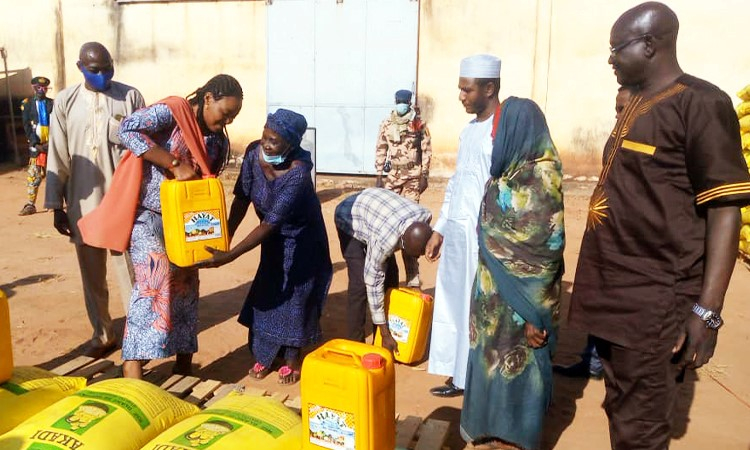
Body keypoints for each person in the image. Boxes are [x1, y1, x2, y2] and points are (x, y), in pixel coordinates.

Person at [569, 3, 750, 448]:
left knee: (641, 426)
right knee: (621, 407)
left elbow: (725, 209)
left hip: (655, 302)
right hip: (614, 296)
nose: (610, 59)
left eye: (617, 49)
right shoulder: (636, 103)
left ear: (650, 45)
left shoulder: (702, 103)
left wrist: (706, 312)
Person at [90, 74, 243, 379]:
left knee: (186, 286)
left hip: (186, 220)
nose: (227, 121)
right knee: (154, 281)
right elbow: (127, 129)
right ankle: (132, 369)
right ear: (208, 98)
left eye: (234, 116)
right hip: (148, 216)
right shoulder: (173, 112)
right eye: (225, 113)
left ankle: (183, 366)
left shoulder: (217, 139)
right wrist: (172, 163)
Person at [197, 109, 332, 385]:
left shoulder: (297, 175)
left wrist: (230, 257)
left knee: (295, 297)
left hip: (303, 240)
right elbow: (242, 199)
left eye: (275, 141)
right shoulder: (252, 154)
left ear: (291, 145)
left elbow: (270, 223)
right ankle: (265, 355)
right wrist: (226, 238)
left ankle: (293, 358)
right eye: (265, 137)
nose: (267, 145)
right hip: (271, 238)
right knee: (269, 293)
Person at [460, 97, 565, 450]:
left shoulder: (541, 178)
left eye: (498, 129)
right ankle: (489, 430)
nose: (494, 136)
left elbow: (546, 253)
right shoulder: (507, 172)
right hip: (491, 298)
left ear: (518, 130)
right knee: (491, 363)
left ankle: (516, 437)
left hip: (524, 307)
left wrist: (536, 314)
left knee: (517, 368)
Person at [44, 42, 145, 358]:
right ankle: (103, 335)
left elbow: (144, 148)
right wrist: (56, 205)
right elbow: (57, 155)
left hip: (122, 203)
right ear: (80, 67)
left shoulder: (130, 97)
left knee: (129, 274)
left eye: (108, 67)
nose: (103, 74)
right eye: (95, 69)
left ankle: (137, 339)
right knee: (92, 278)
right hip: (82, 204)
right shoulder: (65, 101)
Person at [424, 54, 501, 398]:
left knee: (478, 307)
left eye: (466, 89)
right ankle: (458, 376)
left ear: (490, 87)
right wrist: (440, 228)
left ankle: (476, 379)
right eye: (460, 88)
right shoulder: (469, 132)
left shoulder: (501, 131)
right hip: (457, 232)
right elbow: (456, 183)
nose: (461, 96)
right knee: (454, 301)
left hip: (483, 237)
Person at [553, 85, 633, 380]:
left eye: (622, 109)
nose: (618, 114)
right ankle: (594, 360)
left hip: (630, 240)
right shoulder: (617, 138)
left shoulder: (647, 140)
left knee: (621, 304)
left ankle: (609, 363)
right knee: (599, 299)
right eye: (616, 108)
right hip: (606, 235)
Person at [334, 188, 433, 352]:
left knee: (391, 277)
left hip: (377, 215)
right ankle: (356, 344)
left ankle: (379, 341)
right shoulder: (385, 240)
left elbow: (412, 253)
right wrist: (386, 333)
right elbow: (373, 282)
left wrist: (413, 284)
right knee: (360, 284)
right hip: (349, 219)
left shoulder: (423, 217)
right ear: (401, 241)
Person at [375, 89, 432, 289]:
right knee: (387, 223)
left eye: (404, 101)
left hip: (412, 178)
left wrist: (425, 175)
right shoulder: (387, 123)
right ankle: (387, 273)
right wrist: (379, 174)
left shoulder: (417, 123)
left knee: (410, 226)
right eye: (398, 101)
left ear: (409, 102)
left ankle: (413, 274)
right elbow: (381, 148)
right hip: (392, 179)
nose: (401, 104)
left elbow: (426, 149)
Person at [19, 76, 54, 216]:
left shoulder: (53, 103)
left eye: (45, 88)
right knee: (34, 175)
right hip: (36, 147)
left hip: (52, 145)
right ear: (34, 88)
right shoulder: (27, 104)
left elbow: (57, 124)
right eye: (39, 88)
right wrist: (35, 144)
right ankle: (31, 204)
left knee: (56, 175)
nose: (42, 90)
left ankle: (55, 203)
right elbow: (27, 126)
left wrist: (52, 142)